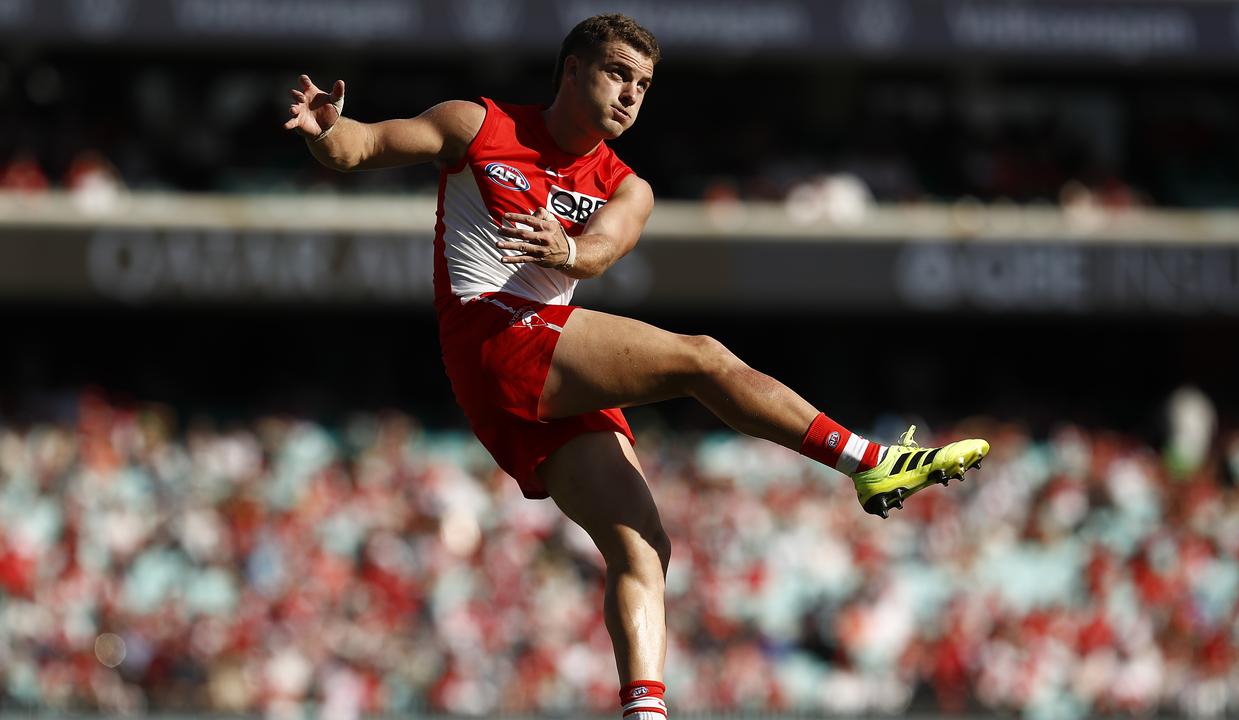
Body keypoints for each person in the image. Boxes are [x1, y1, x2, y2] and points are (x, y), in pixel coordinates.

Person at [285, 14, 988, 718]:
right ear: (572, 71)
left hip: (528, 380)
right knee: (702, 358)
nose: (630, 95)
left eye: (643, 84)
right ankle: (868, 459)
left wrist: (570, 253)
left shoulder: (629, 187)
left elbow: (600, 250)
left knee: (644, 552)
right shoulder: (478, 125)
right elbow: (363, 146)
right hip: (497, 338)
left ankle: (643, 713)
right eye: (618, 73)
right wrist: (324, 130)